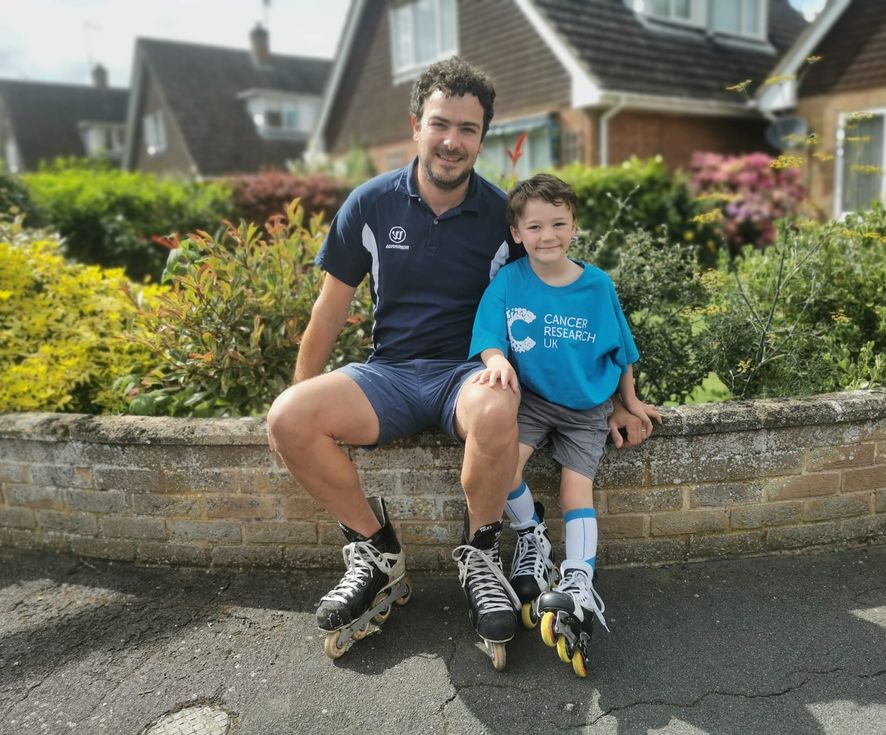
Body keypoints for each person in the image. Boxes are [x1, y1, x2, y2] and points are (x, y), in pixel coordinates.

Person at [266, 57, 657, 667]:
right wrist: (301, 397)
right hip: (388, 373)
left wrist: (612, 398)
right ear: (416, 124)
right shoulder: (368, 205)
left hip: (467, 373)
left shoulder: (504, 219)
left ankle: (481, 556)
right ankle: (376, 553)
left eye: (468, 129)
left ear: (483, 138)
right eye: (440, 124)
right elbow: (329, 309)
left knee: (500, 406)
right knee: (288, 417)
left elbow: (566, 306)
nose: (452, 141)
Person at [468, 173, 661, 676]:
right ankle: (531, 533)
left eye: (558, 223)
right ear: (517, 233)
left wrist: (629, 402)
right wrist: (496, 359)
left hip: (585, 410)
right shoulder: (509, 282)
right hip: (530, 400)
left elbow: (621, 352)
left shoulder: (596, 285)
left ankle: (578, 580)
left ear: (574, 226)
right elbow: (490, 335)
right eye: (535, 226)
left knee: (578, 492)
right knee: (504, 466)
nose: (547, 235)